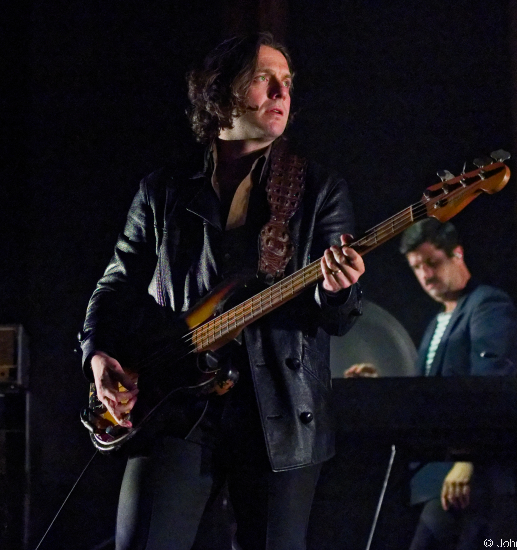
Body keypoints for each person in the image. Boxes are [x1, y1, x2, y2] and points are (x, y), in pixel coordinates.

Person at [78, 32, 365, 550]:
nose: (282, 92)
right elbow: (117, 283)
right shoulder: (163, 190)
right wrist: (97, 353)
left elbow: (337, 317)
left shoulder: (319, 188)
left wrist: (336, 290)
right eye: (264, 78)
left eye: (288, 82)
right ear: (221, 93)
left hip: (277, 410)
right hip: (176, 399)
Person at [398, 218, 517, 550]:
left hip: (470, 473)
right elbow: (432, 391)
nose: (425, 274)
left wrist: (468, 459)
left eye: (432, 263)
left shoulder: (486, 304)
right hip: (436, 472)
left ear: (457, 254)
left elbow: (491, 386)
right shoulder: (438, 319)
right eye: (417, 267)